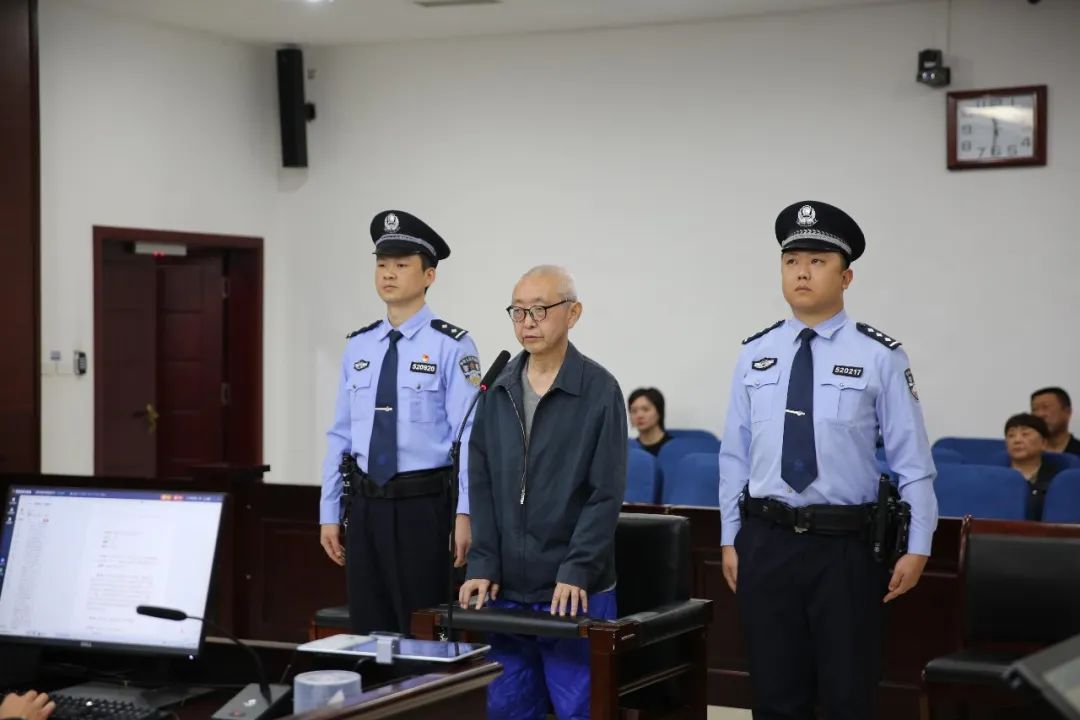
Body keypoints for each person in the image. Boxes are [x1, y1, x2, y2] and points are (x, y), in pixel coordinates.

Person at [717, 201, 938, 720]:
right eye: (791, 261)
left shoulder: (880, 356)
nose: (802, 272)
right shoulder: (754, 353)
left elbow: (912, 461)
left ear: (846, 276)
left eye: (817, 261)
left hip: (845, 548)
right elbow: (734, 455)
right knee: (774, 695)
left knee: (848, 695)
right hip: (767, 541)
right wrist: (730, 536)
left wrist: (920, 545)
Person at [460, 265, 626, 720]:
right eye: (518, 311)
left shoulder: (599, 390)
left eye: (539, 310)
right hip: (505, 588)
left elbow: (605, 493)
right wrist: (482, 562)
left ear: (573, 313)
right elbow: (482, 484)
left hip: (572, 589)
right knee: (506, 708)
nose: (527, 322)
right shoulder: (497, 388)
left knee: (579, 710)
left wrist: (577, 570)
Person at [319, 210, 481, 634]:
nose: (388, 274)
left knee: (421, 629)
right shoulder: (359, 345)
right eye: (382, 264)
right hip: (365, 507)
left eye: (401, 265)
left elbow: (469, 436)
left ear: (429, 276)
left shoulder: (452, 345)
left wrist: (465, 513)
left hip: (423, 507)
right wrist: (329, 510)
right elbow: (340, 434)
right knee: (369, 629)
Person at [1004, 413, 1063, 521]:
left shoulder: (1057, 481)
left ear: (1044, 443)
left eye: (1025, 434)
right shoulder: (996, 478)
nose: (1017, 440)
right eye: (1011, 435)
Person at [1030, 387, 1080, 456]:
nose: (1039, 414)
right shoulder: (1025, 453)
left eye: (1046, 407)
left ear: (1067, 412)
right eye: (1034, 409)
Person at [628, 387, 672, 456]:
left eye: (646, 409)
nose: (639, 415)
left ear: (659, 412)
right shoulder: (628, 449)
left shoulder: (673, 448)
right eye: (634, 411)